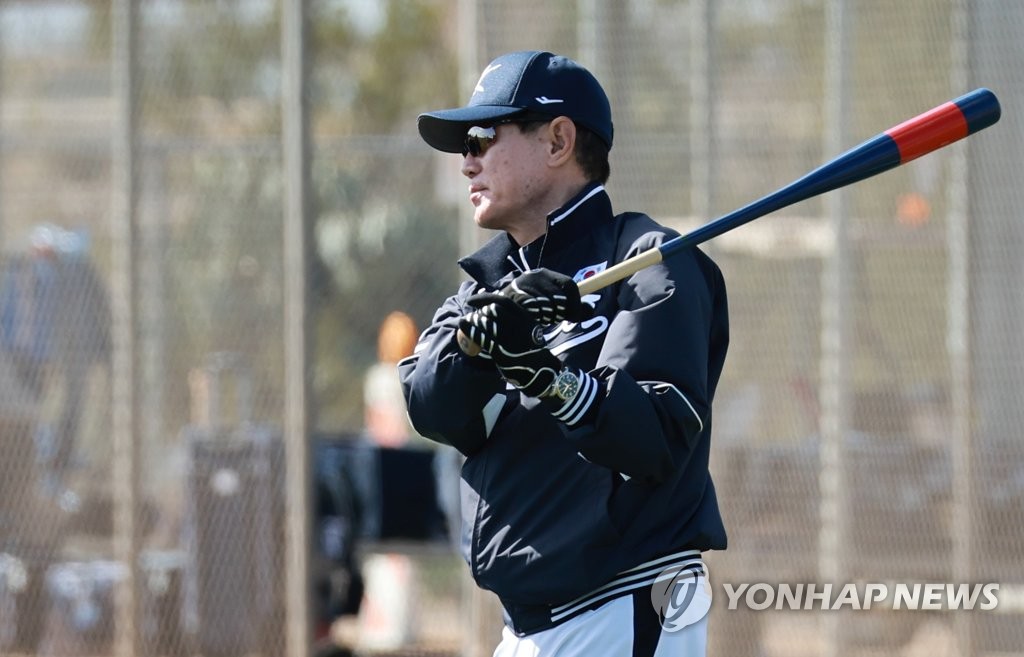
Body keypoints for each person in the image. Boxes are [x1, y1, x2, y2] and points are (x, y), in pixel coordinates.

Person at [399, 51, 730, 656]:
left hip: (625, 607)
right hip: (524, 628)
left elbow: (655, 438)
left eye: (482, 136)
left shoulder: (651, 261)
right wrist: (484, 340)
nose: (465, 160)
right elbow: (430, 406)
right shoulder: (484, 286)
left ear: (557, 140)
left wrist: (547, 376)